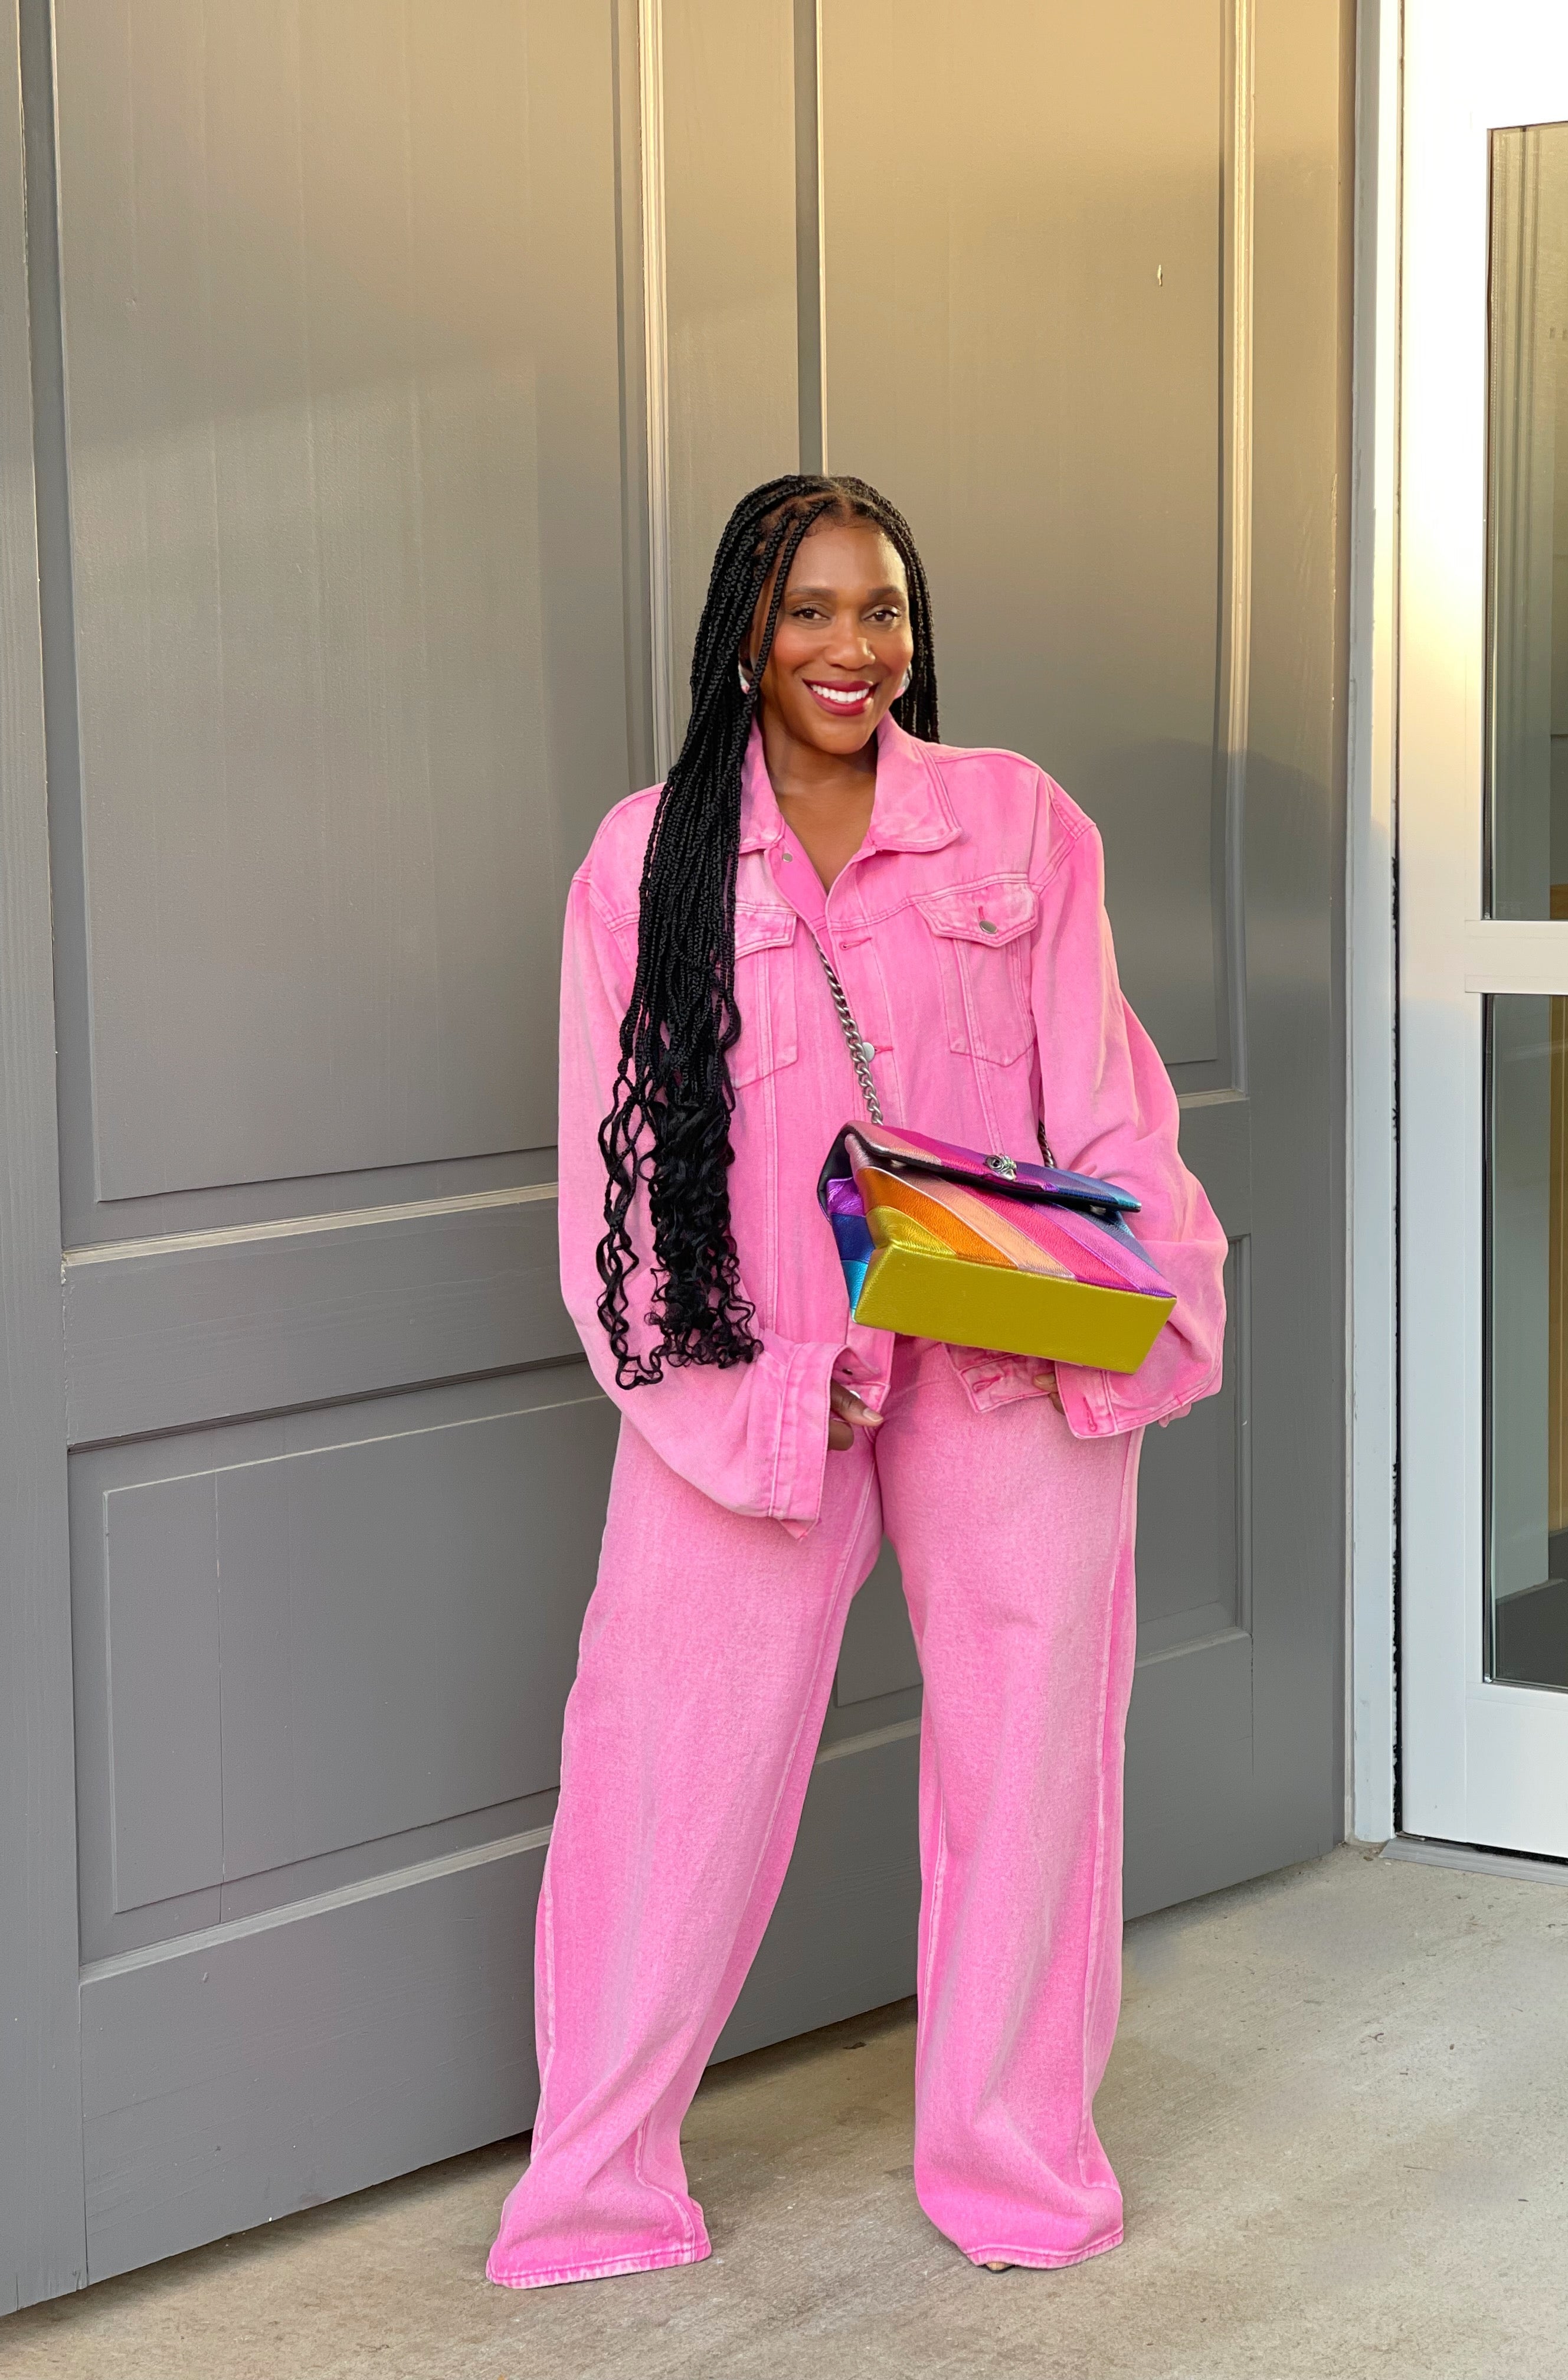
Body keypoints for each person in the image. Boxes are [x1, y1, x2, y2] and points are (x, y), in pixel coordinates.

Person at [486, 473, 1227, 2286]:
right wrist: (736, 1389)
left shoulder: (1017, 826)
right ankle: (595, 2190)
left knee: (1033, 1774)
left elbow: (1110, 1105)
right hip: (759, 1372)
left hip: (1004, 1368)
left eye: (883, 610)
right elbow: (617, 1170)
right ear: (746, 629)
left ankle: (1014, 2167)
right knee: (665, 1772)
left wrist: (1118, 1305)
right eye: (811, 611)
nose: (852, 649)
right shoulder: (643, 857)